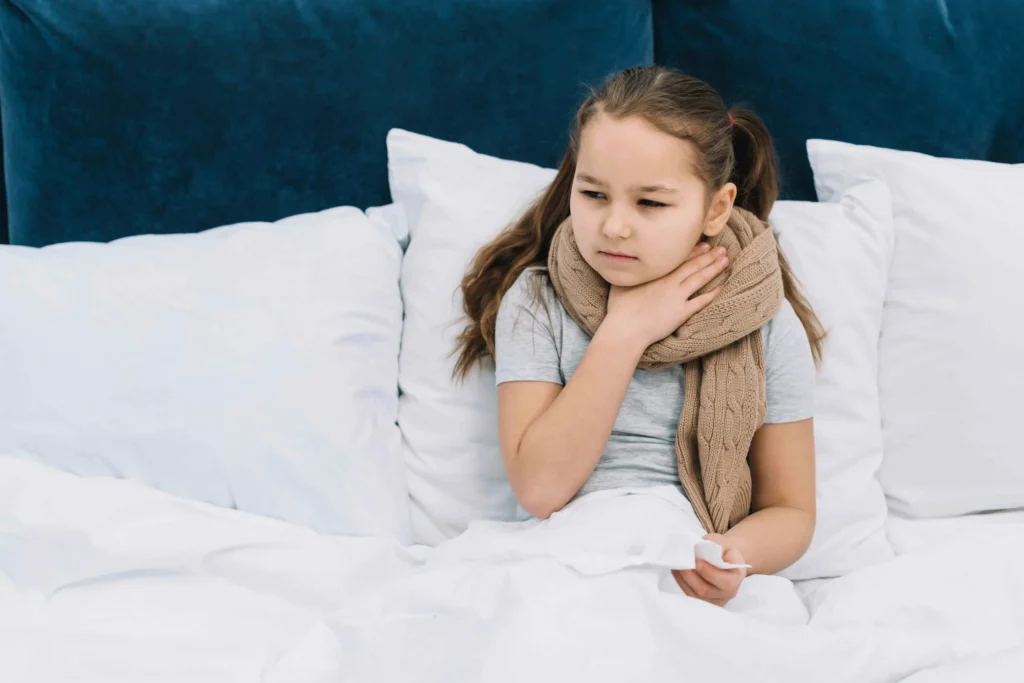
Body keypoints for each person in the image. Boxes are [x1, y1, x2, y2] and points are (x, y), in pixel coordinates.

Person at [452, 66, 824, 607]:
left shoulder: (766, 321)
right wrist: (625, 331)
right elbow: (539, 489)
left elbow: (792, 510)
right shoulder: (537, 301)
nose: (614, 227)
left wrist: (731, 554)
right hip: (569, 554)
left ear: (716, 208)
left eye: (650, 203)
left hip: (688, 559)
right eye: (594, 194)